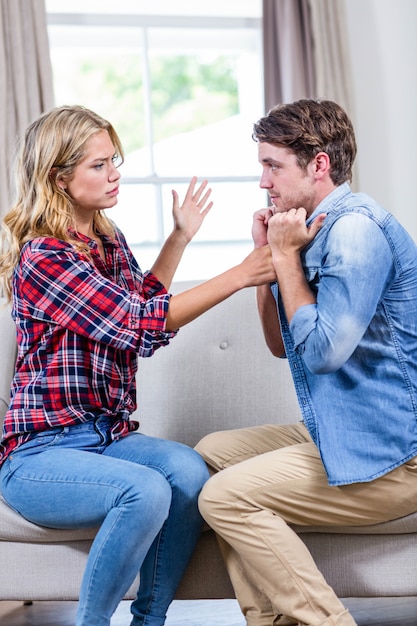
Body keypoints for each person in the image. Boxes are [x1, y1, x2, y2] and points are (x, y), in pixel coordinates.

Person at [0, 105, 276, 626]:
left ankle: (148, 621)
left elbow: (140, 323)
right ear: (59, 178)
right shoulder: (44, 257)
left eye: (115, 161)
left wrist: (178, 238)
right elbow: (137, 321)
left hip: (108, 436)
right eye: (99, 165)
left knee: (190, 473)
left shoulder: (107, 240)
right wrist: (240, 274)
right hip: (39, 455)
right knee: (144, 489)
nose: (115, 174)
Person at [195, 99, 417, 626]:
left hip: (398, 453)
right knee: (209, 455)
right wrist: (270, 261)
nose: (262, 182)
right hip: (352, 429)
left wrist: (286, 257)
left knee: (225, 498)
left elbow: (320, 356)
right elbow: (281, 344)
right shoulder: (305, 229)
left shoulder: (355, 231)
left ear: (319, 165)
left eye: (273, 166)